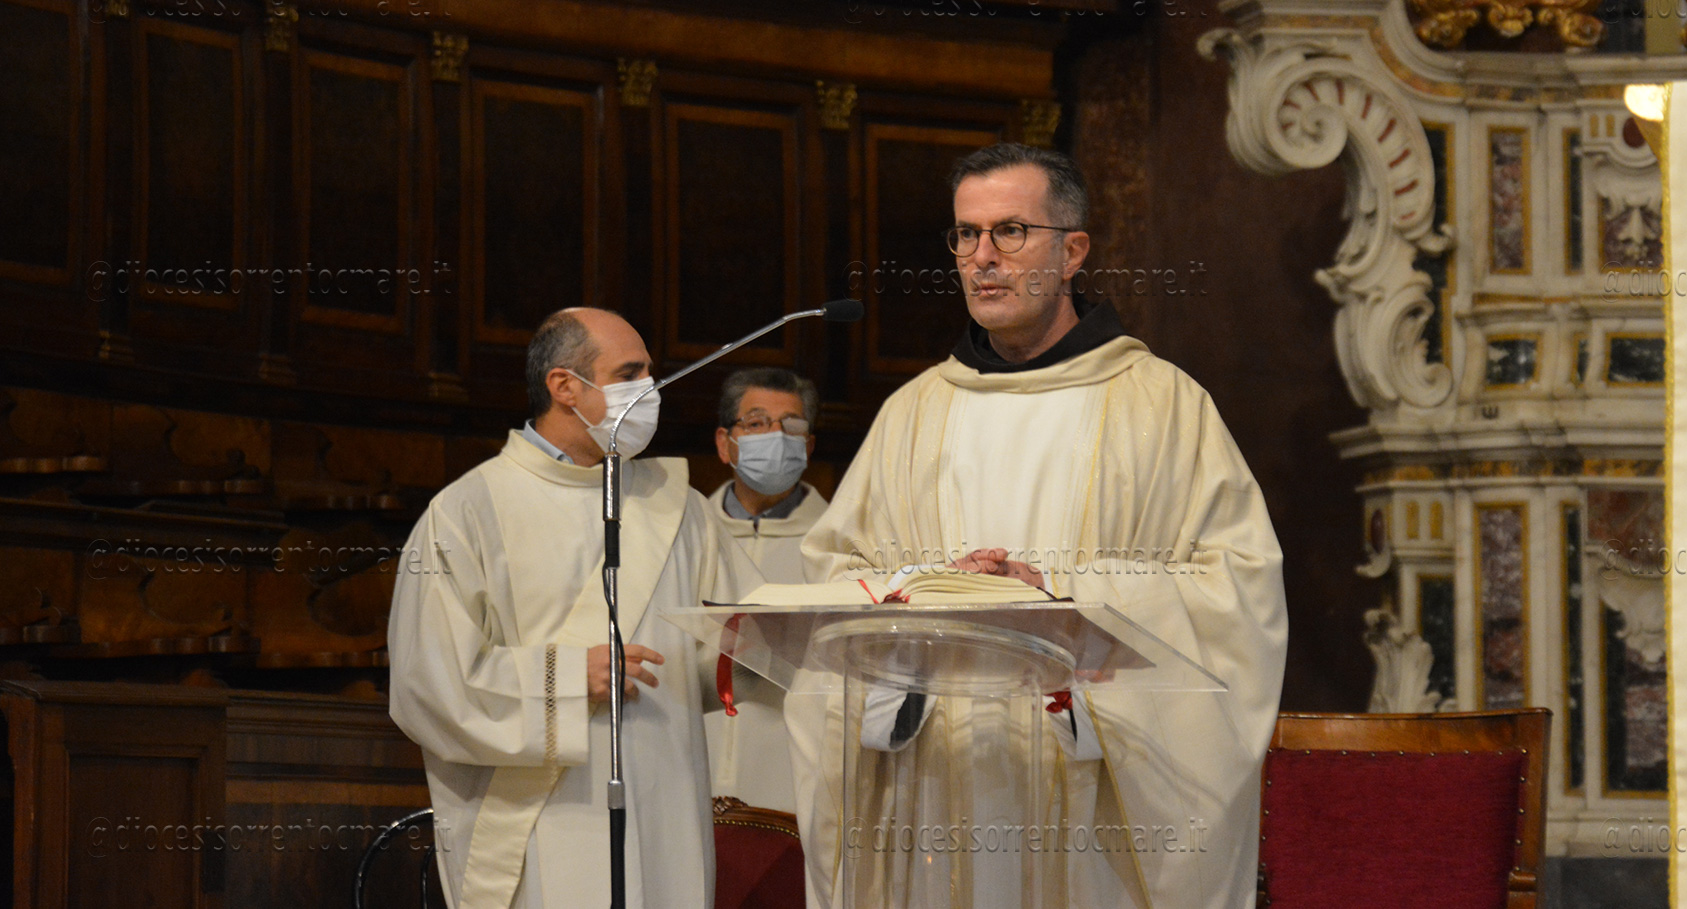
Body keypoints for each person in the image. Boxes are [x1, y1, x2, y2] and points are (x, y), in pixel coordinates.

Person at [792, 143, 1287, 909]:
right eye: (966, 234)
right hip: (934, 788)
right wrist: (921, 591)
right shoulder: (911, 414)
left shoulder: (1163, 406)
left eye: (1011, 231)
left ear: (1072, 251)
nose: (982, 257)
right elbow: (834, 581)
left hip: (1091, 797)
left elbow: (1236, 593)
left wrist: (1060, 594)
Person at [388, 307, 759, 909]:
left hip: (665, 811)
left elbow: (744, 641)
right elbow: (425, 683)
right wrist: (561, 677)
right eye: (630, 374)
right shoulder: (467, 511)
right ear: (564, 385)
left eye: (650, 373)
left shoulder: (680, 509)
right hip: (542, 819)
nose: (650, 390)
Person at [703, 366, 827, 811]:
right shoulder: (685, 537)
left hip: (792, 777)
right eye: (756, 423)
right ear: (725, 443)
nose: (775, 436)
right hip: (691, 767)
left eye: (791, 425)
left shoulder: (836, 549)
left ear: (807, 446)